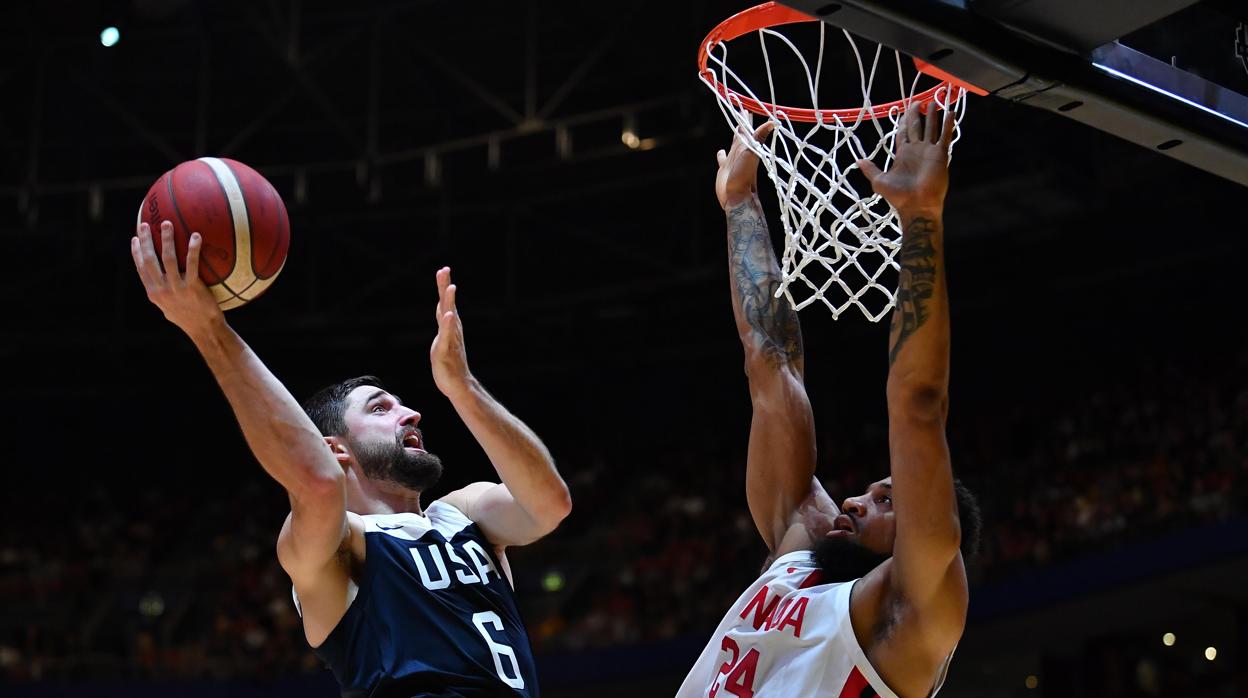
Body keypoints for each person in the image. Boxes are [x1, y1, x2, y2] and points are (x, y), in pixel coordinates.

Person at [130, 225, 571, 697]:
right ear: (336, 448)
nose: (411, 412)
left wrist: (461, 387)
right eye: (381, 408)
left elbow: (549, 503)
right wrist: (208, 329)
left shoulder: (464, 515)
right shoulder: (342, 547)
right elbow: (317, 482)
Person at [677, 105, 981, 698]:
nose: (854, 499)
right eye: (870, 491)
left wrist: (922, 217)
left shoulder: (910, 613)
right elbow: (771, 367)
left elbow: (917, 405)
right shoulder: (801, 546)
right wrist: (740, 203)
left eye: (886, 500)